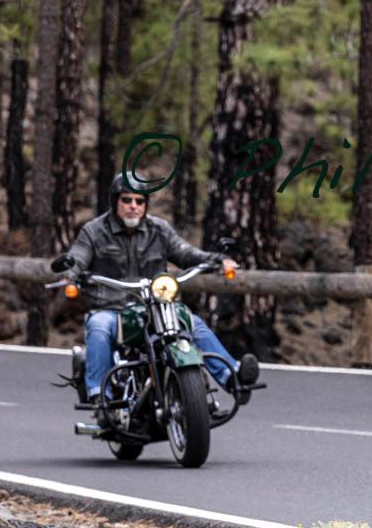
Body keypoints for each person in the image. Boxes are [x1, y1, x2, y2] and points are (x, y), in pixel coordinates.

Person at [63, 174, 260, 414]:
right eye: (127, 200)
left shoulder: (159, 229)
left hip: (155, 306)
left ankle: (233, 377)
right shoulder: (94, 231)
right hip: (111, 308)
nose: (133, 206)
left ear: (146, 204)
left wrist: (217, 260)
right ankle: (99, 396)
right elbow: (78, 256)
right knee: (99, 327)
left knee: (192, 322)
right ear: (115, 202)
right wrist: (71, 273)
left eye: (139, 201)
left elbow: (186, 253)